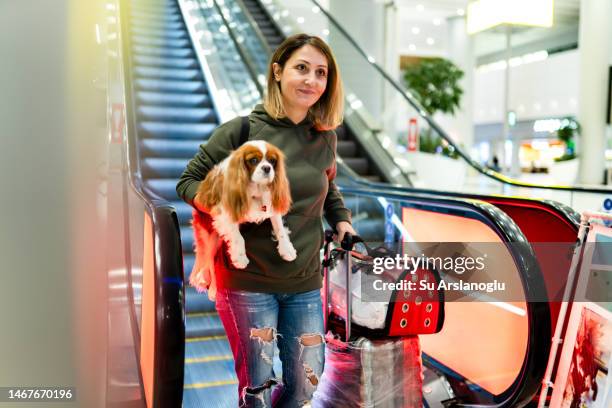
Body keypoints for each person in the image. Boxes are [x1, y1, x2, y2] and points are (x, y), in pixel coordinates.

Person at [176, 33, 356, 407]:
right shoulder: (243, 132)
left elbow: (329, 187)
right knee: (258, 387)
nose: (311, 80)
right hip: (247, 283)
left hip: (304, 281)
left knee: (308, 381)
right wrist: (227, 206)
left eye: (321, 73)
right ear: (277, 71)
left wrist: (342, 222)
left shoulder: (324, 137)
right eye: (301, 68)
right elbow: (188, 181)